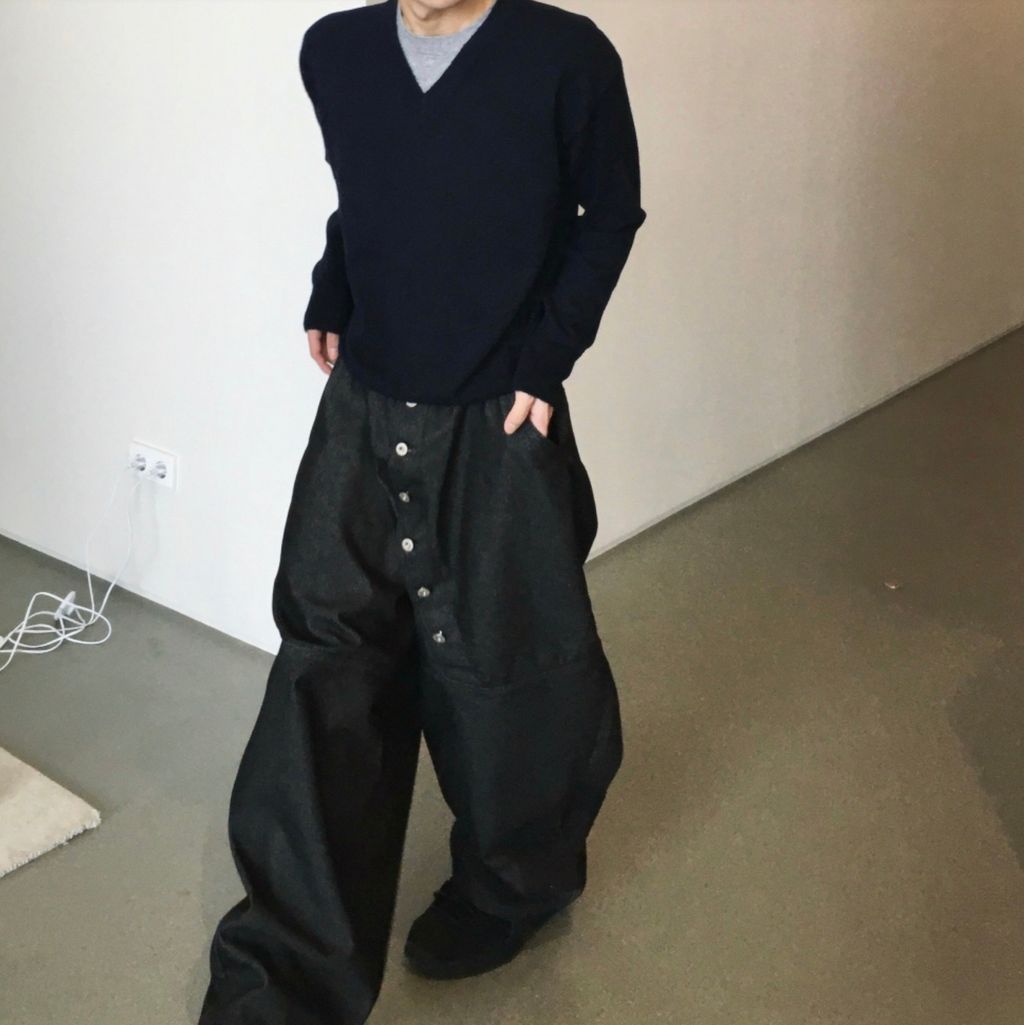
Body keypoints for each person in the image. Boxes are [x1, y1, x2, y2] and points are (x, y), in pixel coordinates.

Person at [197, 0, 647, 1021]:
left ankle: (512, 883)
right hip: (364, 402)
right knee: (326, 667)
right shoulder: (335, 49)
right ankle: (286, 973)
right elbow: (368, 193)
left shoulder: (566, 56)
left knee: (511, 667)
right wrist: (334, 285)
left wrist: (548, 355)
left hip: (497, 413)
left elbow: (608, 213)